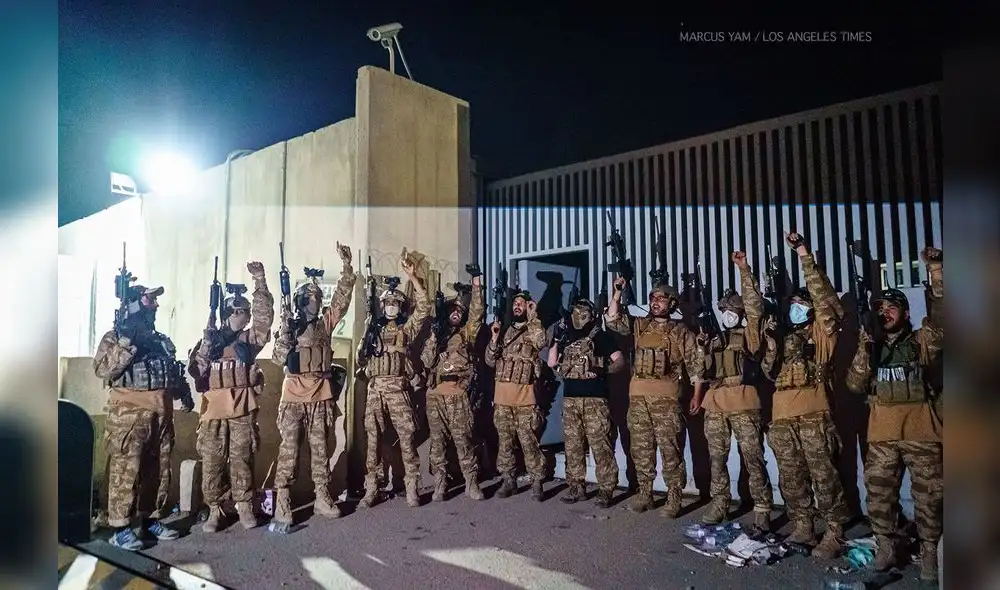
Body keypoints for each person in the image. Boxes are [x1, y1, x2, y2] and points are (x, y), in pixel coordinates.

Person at [845, 246, 943, 582]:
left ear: (904, 311)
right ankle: (885, 547)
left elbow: (942, 317)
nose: (885, 312)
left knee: (929, 497)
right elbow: (855, 385)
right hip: (883, 434)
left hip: (921, 432)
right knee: (879, 495)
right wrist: (864, 346)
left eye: (892, 306)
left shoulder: (921, 341)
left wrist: (937, 271)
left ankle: (930, 552)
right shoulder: (872, 346)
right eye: (880, 308)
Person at [760, 232, 851, 558]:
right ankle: (803, 524)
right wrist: (772, 342)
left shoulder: (821, 335)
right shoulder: (782, 337)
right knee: (791, 474)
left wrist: (803, 255)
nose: (796, 311)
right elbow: (769, 372)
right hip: (782, 415)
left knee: (823, 473)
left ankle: (835, 531)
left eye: (802, 306)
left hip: (814, 412)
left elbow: (824, 299)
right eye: (793, 306)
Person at [93, 282, 193, 550]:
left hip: (160, 415)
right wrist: (127, 340)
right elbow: (103, 370)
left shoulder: (158, 339)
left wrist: (183, 393)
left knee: (158, 471)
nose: (156, 305)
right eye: (150, 300)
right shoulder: (116, 335)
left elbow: (170, 370)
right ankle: (120, 528)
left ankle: (150, 519)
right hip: (129, 416)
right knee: (126, 472)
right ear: (135, 303)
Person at [605, 275, 707, 517]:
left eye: (661, 299)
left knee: (670, 450)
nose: (655, 302)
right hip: (639, 400)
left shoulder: (681, 331)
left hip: (667, 400)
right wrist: (617, 292)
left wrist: (697, 395)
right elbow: (612, 320)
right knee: (641, 449)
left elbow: (696, 365)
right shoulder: (640, 326)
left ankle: (674, 497)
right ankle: (645, 493)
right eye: (652, 298)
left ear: (672, 304)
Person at [270, 243, 356, 531]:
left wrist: (347, 268)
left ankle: (322, 496)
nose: (315, 303)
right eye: (309, 299)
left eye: (317, 298)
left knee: (321, 450)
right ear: (299, 301)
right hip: (294, 398)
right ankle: (282, 498)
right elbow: (277, 358)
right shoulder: (290, 326)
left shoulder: (325, 324)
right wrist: (285, 334)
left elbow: (342, 301)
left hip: (321, 396)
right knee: (289, 450)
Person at [188, 261, 274, 532]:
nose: (246, 317)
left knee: (242, 460)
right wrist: (207, 342)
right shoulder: (210, 342)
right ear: (228, 313)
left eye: (247, 313)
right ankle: (215, 508)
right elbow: (196, 371)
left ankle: (245, 506)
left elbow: (264, 321)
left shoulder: (248, 341)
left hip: (241, 410)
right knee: (212, 461)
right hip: (214, 413)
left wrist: (260, 282)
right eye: (240, 312)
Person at [698, 251, 775, 534]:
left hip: (743, 400)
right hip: (716, 401)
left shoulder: (751, 334)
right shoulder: (714, 336)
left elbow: (755, 306)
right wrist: (703, 347)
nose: (727, 315)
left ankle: (763, 508)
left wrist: (744, 270)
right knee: (716, 458)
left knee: (752, 457)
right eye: (724, 310)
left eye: (732, 310)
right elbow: (701, 369)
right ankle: (720, 503)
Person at [357, 252, 432, 508]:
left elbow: (424, 308)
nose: (390, 306)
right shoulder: (372, 329)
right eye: (386, 302)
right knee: (373, 440)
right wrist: (367, 339)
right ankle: (372, 487)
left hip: (398, 390)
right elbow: (360, 360)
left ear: (400, 307)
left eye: (394, 302)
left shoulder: (404, 330)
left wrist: (412, 277)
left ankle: (412, 486)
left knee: (407, 437)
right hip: (376, 390)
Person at [546, 297, 625, 508]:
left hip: (595, 400)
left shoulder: (600, 336)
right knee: (573, 446)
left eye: (582, 312)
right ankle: (576, 487)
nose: (577, 316)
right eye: (575, 311)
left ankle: (606, 489)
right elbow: (552, 363)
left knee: (600, 446)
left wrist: (602, 370)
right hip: (571, 399)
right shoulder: (567, 336)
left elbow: (620, 362)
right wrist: (554, 340)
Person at [419, 267, 486, 502]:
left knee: (463, 439)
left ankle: (471, 483)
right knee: (437, 443)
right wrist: (435, 338)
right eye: (453, 310)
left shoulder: (467, 334)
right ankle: (440, 485)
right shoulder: (437, 335)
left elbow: (477, 313)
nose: (456, 313)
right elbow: (427, 362)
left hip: (458, 394)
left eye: (460, 310)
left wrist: (476, 285)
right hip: (436, 395)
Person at [486, 291, 548, 501]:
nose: (518, 306)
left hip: (524, 400)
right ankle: (508, 481)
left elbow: (541, 342)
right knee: (505, 443)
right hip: (502, 400)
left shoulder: (532, 329)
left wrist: (533, 316)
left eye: (522, 303)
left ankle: (537, 481)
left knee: (528, 442)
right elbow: (489, 361)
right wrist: (494, 339)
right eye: (515, 303)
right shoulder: (503, 331)